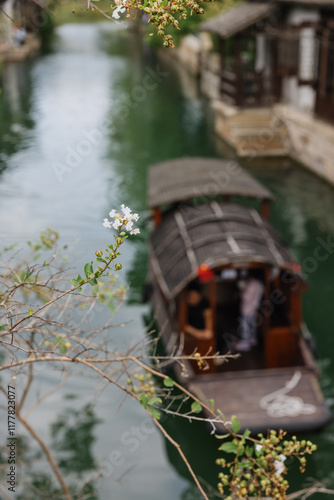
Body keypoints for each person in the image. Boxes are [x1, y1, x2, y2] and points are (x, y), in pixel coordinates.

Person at [234, 269, 264, 352]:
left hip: (248, 308)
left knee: (245, 326)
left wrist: (241, 292)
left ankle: (245, 343)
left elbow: (246, 297)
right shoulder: (260, 284)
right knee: (253, 324)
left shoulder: (252, 284)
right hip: (255, 307)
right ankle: (253, 339)